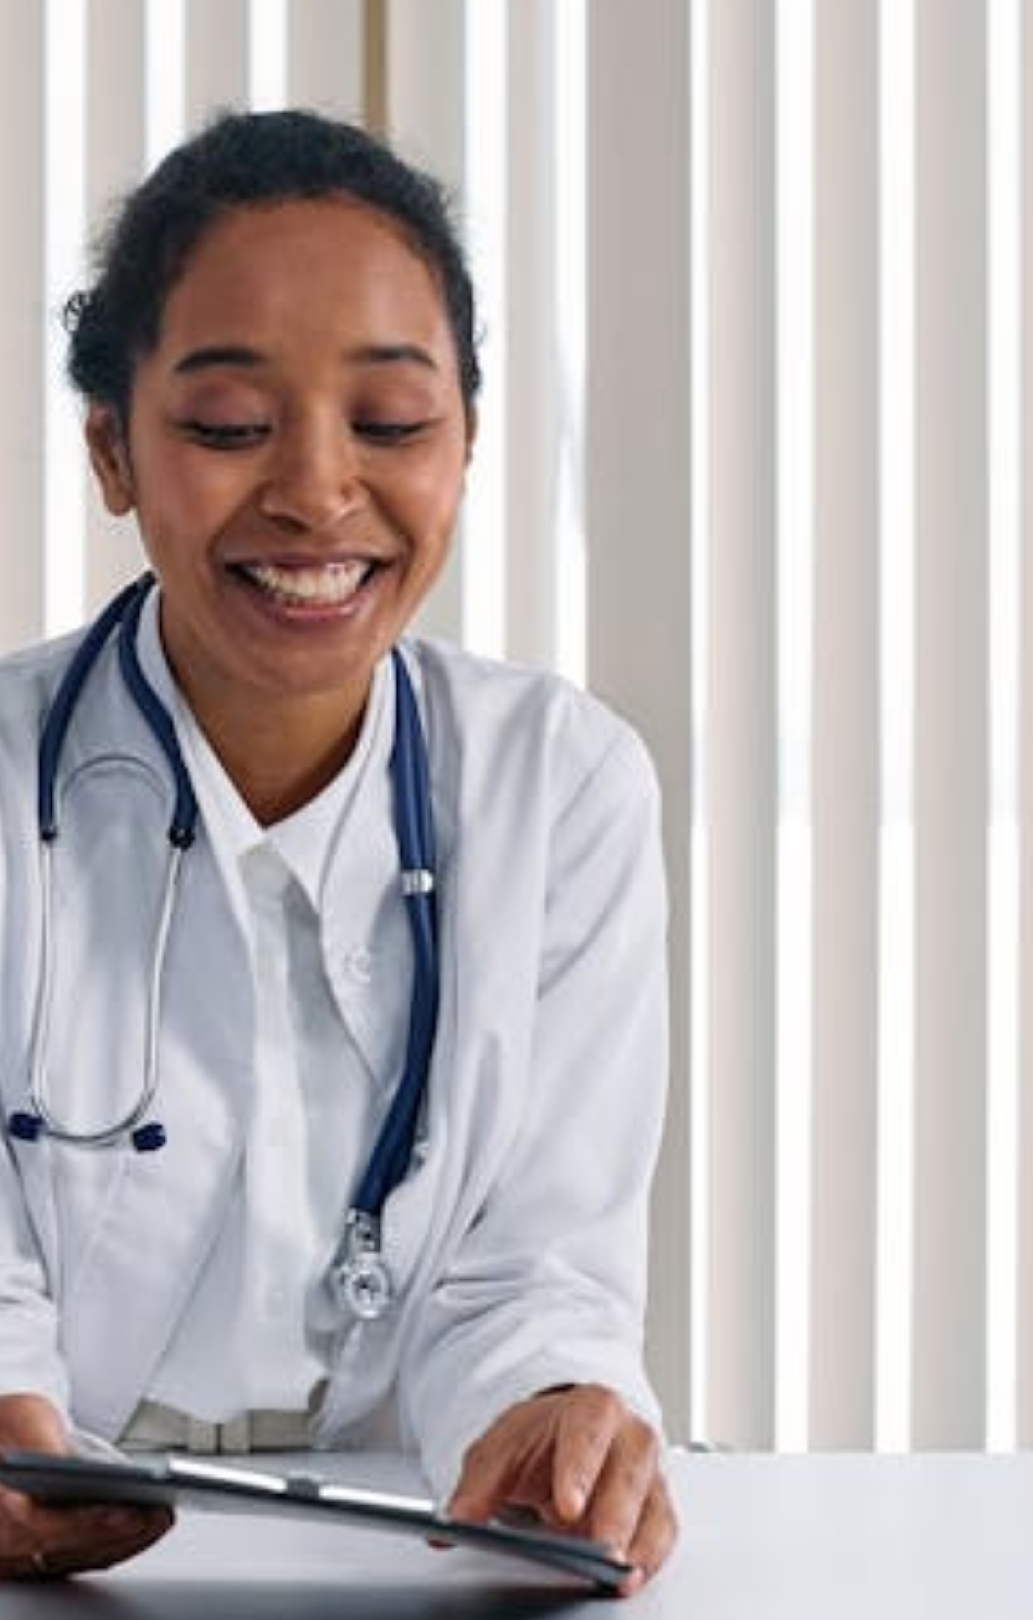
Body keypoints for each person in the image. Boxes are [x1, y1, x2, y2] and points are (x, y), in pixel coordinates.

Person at [0, 109, 675, 1593]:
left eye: (390, 424)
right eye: (232, 427)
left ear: (470, 444)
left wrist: (555, 1415)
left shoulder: (562, 791)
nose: (315, 492)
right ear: (112, 448)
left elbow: (539, 1267)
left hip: (411, 1567)